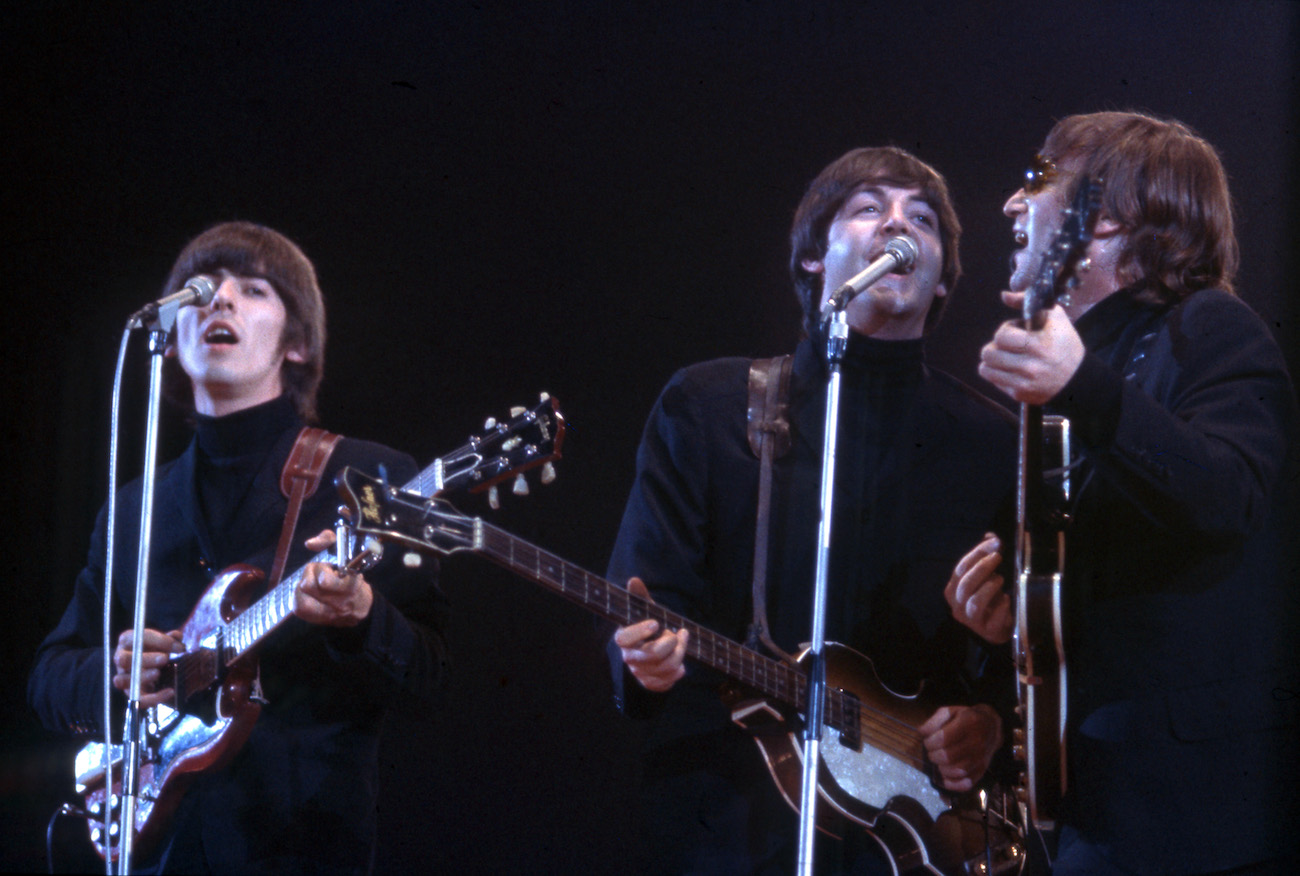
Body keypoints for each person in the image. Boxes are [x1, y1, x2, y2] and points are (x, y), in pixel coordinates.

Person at [607, 147, 1020, 874]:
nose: (898, 225)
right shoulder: (709, 407)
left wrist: (989, 722)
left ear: (943, 277)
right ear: (811, 259)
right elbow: (647, 602)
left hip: (914, 834)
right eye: (868, 208)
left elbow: (1020, 644)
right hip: (728, 814)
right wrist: (641, 661)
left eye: (920, 219)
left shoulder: (990, 442)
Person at [28, 221, 449, 874]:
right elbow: (49, 676)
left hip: (301, 849)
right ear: (167, 342)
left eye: (253, 290)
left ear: (299, 344)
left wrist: (361, 616)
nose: (219, 300)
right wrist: (116, 676)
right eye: (202, 290)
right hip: (154, 851)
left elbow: (433, 679)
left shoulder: (367, 478)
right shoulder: (136, 507)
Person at [947, 111, 1299, 874]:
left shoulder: (1209, 329)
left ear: (1103, 220)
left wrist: (1087, 390)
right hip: (1090, 805)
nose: (1011, 202)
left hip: (1195, 817)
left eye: (1039, 178)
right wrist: (1002, 618)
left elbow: (1228, 495)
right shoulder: (1066, 378)